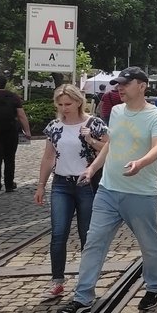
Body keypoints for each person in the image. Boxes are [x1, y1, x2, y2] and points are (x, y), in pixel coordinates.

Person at [57, 66, 157, 313]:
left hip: (140, 193)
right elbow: (112, 144)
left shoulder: (156, 116)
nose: (119, 88)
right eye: (118, 84)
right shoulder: (117, 112)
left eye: (125, 84)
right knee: (94, 242)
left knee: (149, 245)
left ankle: (153, 287)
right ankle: (83, 298)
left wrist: (140, 162)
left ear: (142, 86)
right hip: (108, 190)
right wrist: (93, 167)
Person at [35, 84, 109, 298]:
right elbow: (48, 157)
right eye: (60, 104)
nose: (64, 108)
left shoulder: (94, 124)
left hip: (87, 183)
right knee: (58, 234)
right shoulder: (54, 127)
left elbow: (108, 149)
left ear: (78, 102)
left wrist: (91, 140)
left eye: (68, 104)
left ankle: (87, 282)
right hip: (61, 184)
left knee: (87, 234)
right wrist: (41, 185)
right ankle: (57, 281)